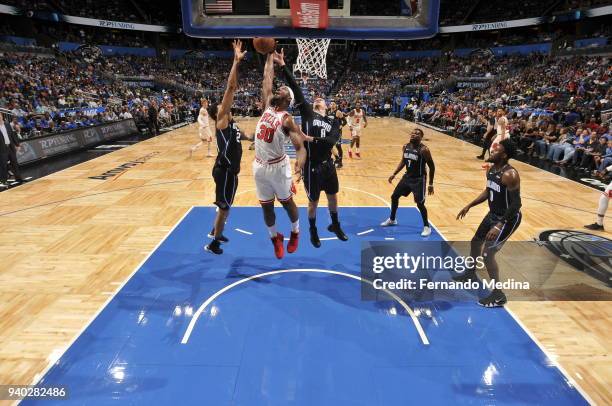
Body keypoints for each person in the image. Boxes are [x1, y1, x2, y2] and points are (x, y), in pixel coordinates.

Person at [274, 49, 348, 248]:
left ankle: (335, 225)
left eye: (321, 99)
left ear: (326, 105)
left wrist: (311, 138)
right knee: (313, 202)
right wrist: (283, 66)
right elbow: (296, 88)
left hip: (328, 165)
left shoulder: (333, 122)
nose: (317, 99)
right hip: (311, 167)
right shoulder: (308, 112)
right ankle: (313, 231)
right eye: (316, 99)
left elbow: (331, 141)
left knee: (333, 198)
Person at [253, 50, 310, 259]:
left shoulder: (287, 120)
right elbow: (267, 78)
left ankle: (295, 232)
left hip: (278, 167)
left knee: (287, 204)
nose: (278, 89)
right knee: (266, 208)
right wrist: (269, 55)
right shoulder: (268, 104)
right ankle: (274, 238)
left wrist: (299, 164)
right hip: (259, 166)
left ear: (288, 100)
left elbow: (300, 147)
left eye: (283, 90)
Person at [455, 139, 522, 307]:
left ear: (504, 155)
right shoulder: (492, 170)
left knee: (488, 254)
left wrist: (499, 224)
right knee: (475, 242)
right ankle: (470, 273)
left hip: (508, 218)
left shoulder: (510, 175)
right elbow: (488, 190)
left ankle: (499, 295)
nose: (491, 152)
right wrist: (470, 204)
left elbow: (516, 204)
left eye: (495, 150)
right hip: (493, 214)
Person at [205, 40, 252, 254]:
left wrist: (255, 138)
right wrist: (236, 61)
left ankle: (216, 231)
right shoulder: (222, 120)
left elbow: (242, 135)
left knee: (225, 205)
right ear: (219, 112)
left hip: (230, 171)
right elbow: (231, 87)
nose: (223, 105)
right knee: (224, 207)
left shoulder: (231, 124)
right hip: (224, 171)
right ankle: (213, 243)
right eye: (221, 105)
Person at [381, 128, 435, 237]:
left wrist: (430, 184)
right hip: (407, 177)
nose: (414, 134)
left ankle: (426, 227)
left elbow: (432, 166)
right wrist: (394, 173)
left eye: (417, 134)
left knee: (420, 204)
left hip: (419, 179)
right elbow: (403, 161)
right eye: (413, 133)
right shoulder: (405, 146)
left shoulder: (424, 150)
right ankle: (392, 219)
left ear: (421, 137)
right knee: (394, 196)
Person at [0, 113, 24, 189]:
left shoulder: (7, 125)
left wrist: (17, 145)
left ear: (2, 116)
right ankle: (3, 181)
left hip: (10, 147)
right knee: (3, 165)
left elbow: (12, 135)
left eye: (0, 116)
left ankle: (18, 178)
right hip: (2, 149)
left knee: (14, 163)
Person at [329, 102, 347, 168]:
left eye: (333, 104)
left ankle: (340, 162)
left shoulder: (338, 112)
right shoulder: (328, 112)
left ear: (336, 105)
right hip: (330, 131)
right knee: (329, 146)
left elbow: (345, 121)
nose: (332, 105)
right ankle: (335, 159)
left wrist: (341, 125)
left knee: (338, 146)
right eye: (331, 104)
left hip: (337, 132)